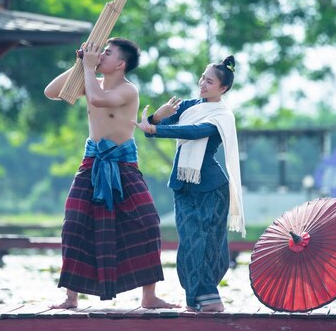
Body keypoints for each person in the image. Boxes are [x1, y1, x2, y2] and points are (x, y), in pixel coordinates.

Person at [44, 37, 177, 309]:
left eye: (106, 53)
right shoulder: (90, 80)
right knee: (74, 224)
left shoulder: (129, 90)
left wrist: (89, 70)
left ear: (120, 64)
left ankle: (149, 296)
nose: (100, 55)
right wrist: (79, 64)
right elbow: (51, 91)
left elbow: (98, 99)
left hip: (123, 164)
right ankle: (71, 297)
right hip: (92, 162)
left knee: (147, 222)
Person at [134, 56, 245, 312]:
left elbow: (194, 131)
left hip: (212, 188)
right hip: (183, 185)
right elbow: (156, 127)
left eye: (209, 81)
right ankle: (199, 300)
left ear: (223, 88)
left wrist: (155, 129)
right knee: (189, 243)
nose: (202, 84)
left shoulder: (222, 115)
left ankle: (206, 299)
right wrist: (157, 118)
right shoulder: (189, 106)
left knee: (209, 243)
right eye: (202, 78)